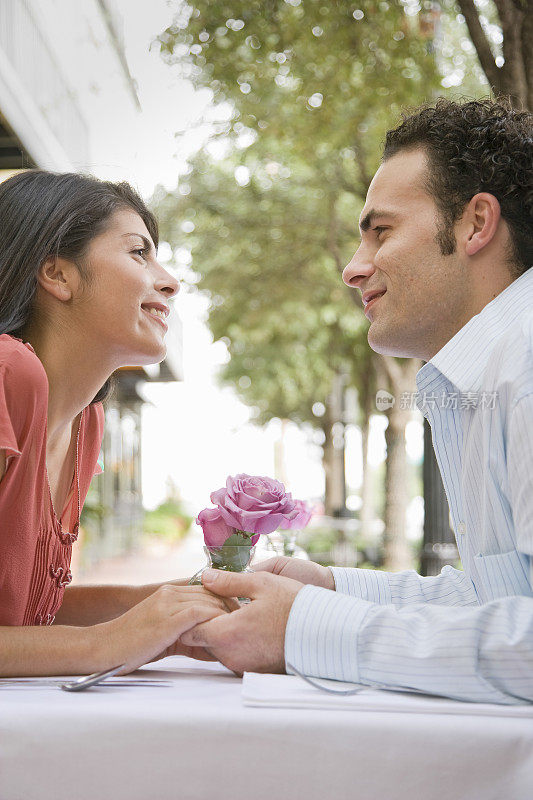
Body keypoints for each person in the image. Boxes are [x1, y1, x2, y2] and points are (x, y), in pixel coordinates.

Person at [180, 97, 533, 704]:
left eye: (381, 232)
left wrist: (307, 627)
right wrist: (327, 589)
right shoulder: (493, 371)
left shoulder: (524, 369)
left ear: (476, 224)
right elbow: (497, 600)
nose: (353, 268)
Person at [0, 170, 232, 677]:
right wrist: (107, 644)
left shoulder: (86, 423)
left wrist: (170, 605)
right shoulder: (6, 373)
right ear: (57, 274)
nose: (170, 280)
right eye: (137, 252)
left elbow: (22, 619)